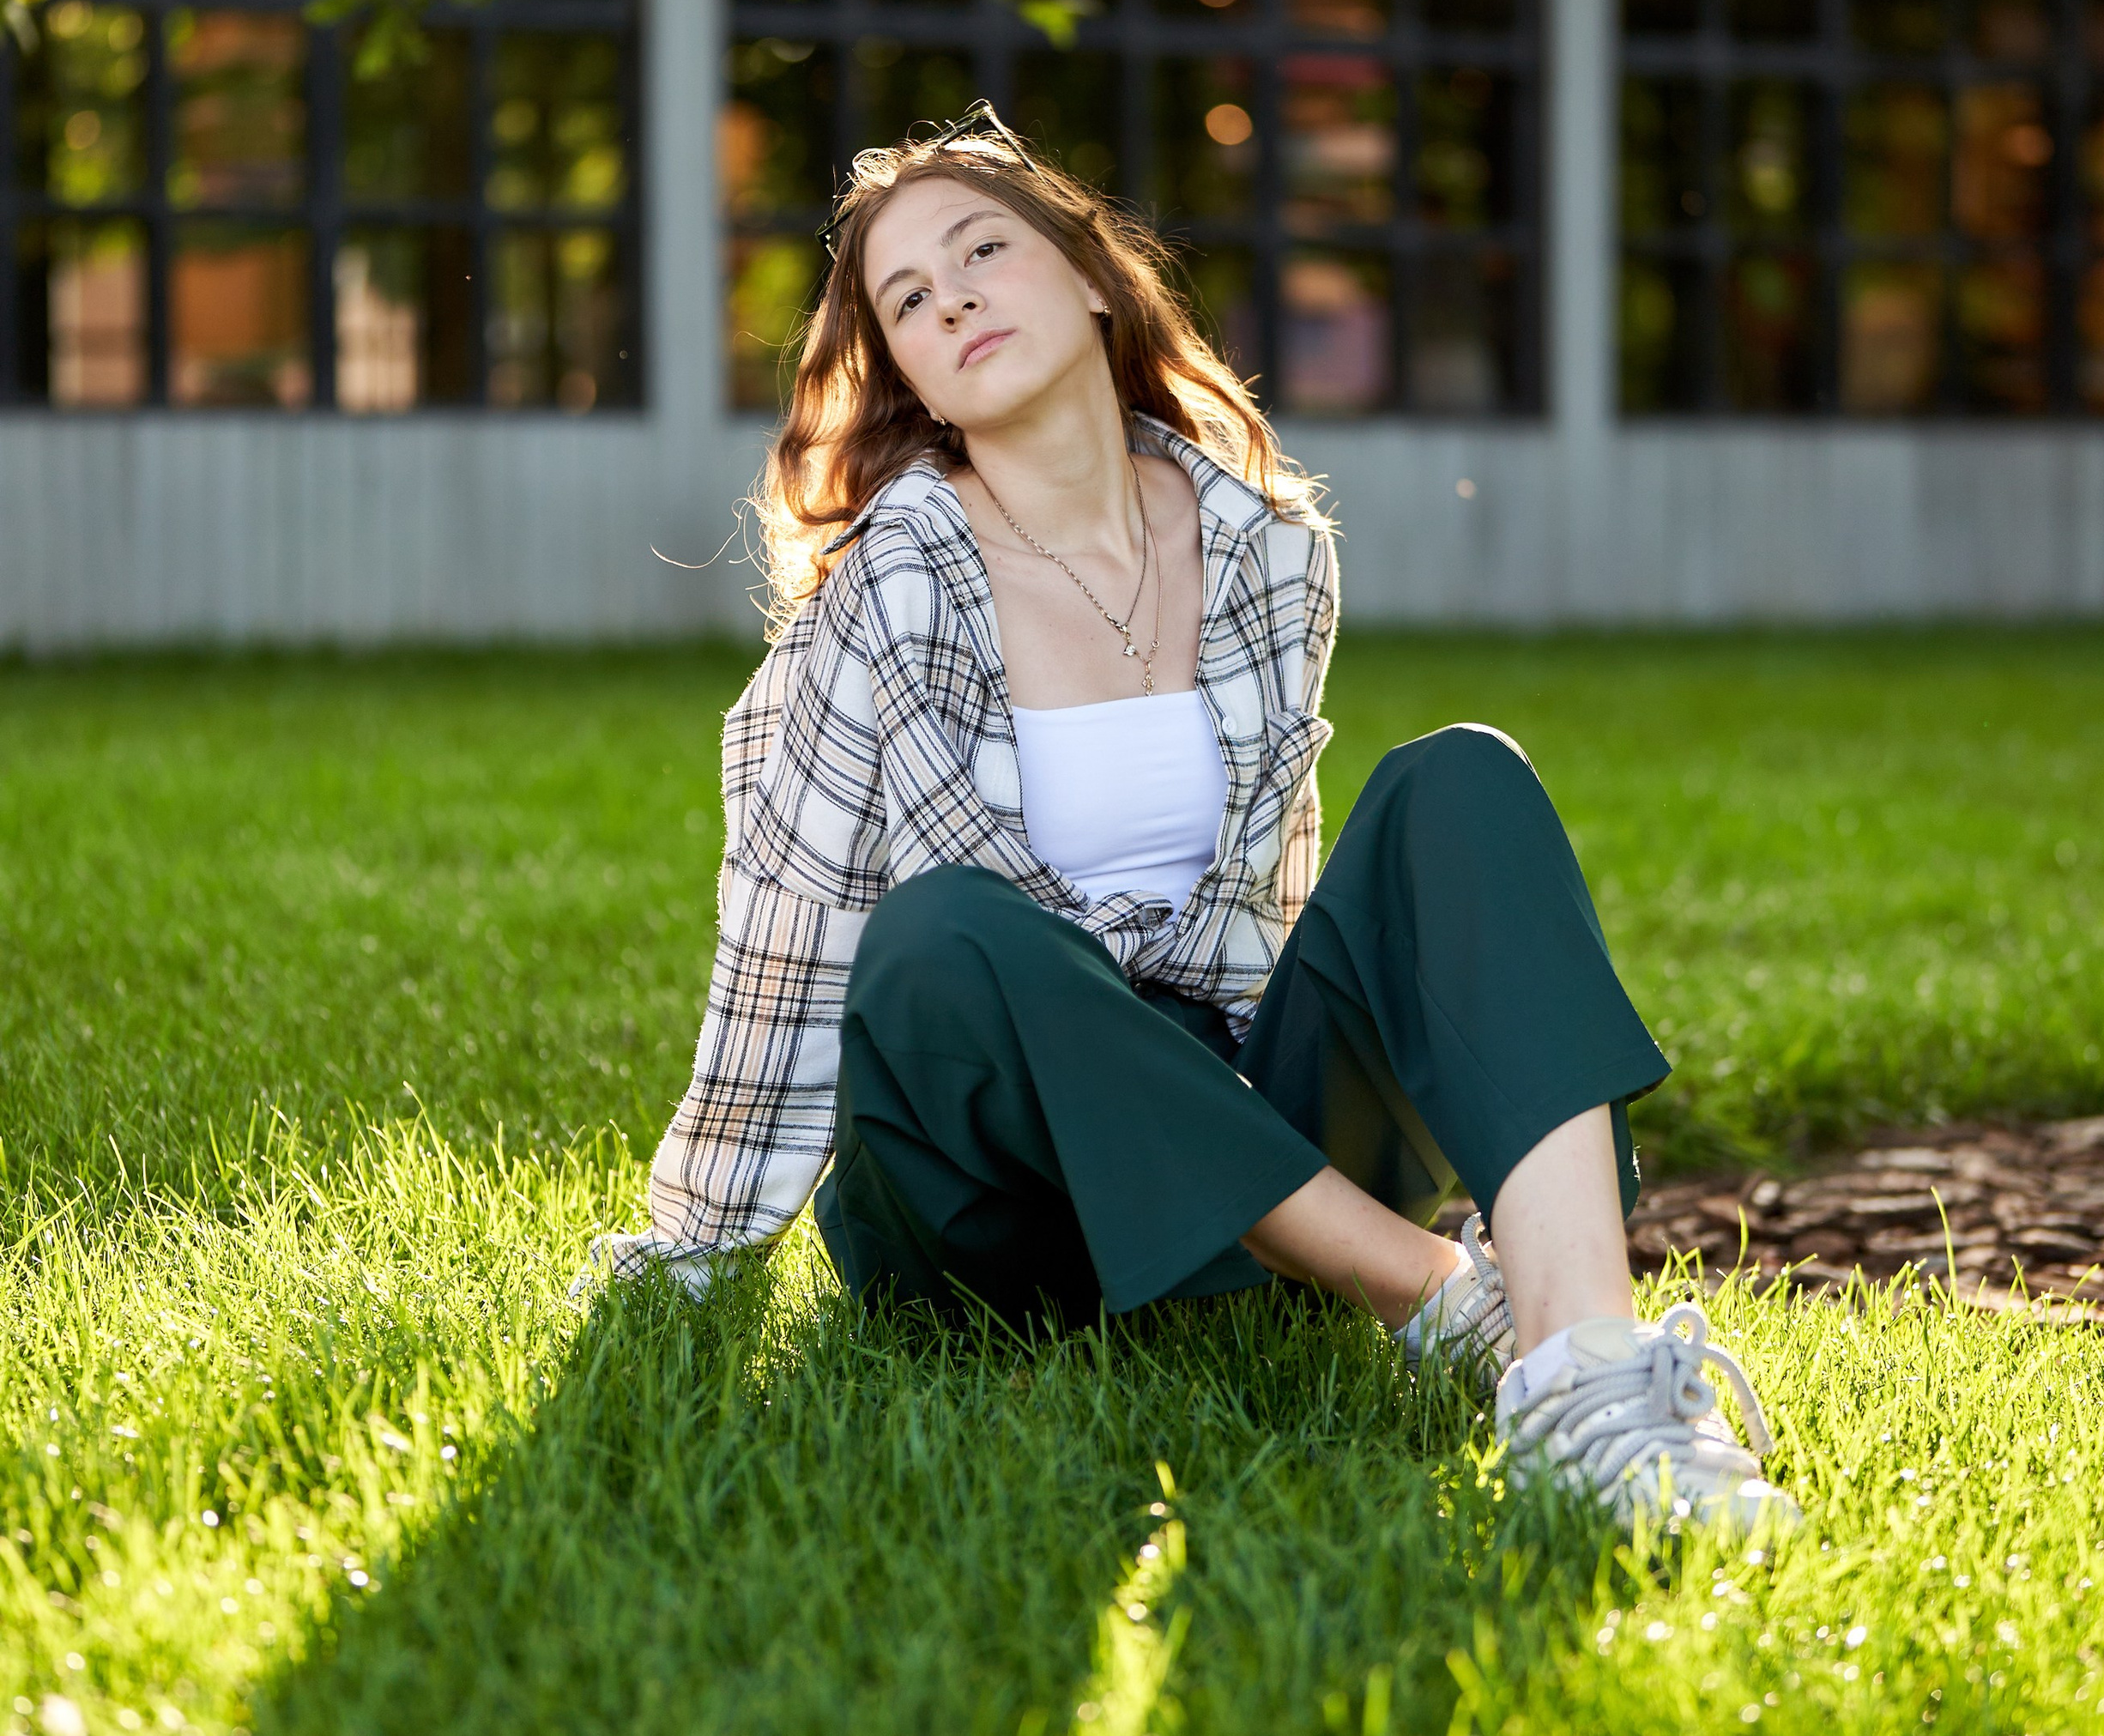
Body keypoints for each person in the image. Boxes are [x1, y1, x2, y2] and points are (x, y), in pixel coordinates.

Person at [596, 104, 1799, 1536]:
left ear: (1093, 279)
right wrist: (692, 1248)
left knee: (1460, 778)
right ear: (909, 375)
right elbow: (788, 947)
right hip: (996, 1212)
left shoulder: (1266, 547)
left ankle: (1589, 1380)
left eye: (982, 250)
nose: (952, 299)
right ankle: (1433, 1292)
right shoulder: (886, 592)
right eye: (907, 300)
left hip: (1226, 1134)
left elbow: (1265, 911)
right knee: (949, 935)